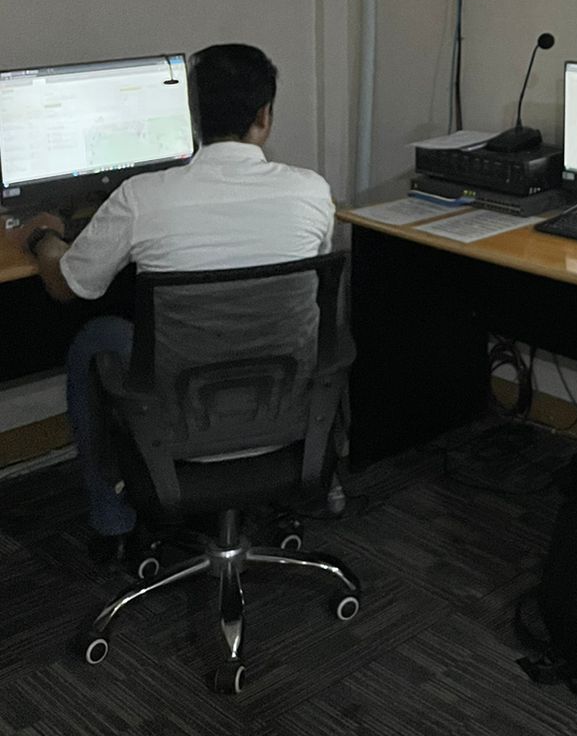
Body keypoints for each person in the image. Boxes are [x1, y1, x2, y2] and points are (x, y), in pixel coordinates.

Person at [11, 43, 335, 558]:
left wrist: (42, 238)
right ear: (264, 117)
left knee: (93, 338)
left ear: (190, 116)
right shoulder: (312, 192)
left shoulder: (143, 197)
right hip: (288, 416)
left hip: (178, 427)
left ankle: (112, 522)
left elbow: (68, 285)